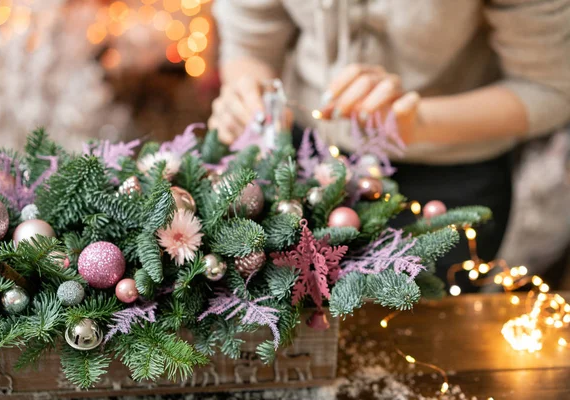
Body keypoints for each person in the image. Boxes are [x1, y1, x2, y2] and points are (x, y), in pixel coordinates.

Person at [209, 0, 570, 283]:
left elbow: (552, 88)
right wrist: (248, 92)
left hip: (445, 185)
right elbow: (250, 40)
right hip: (305, 164)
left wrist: (417, 122)